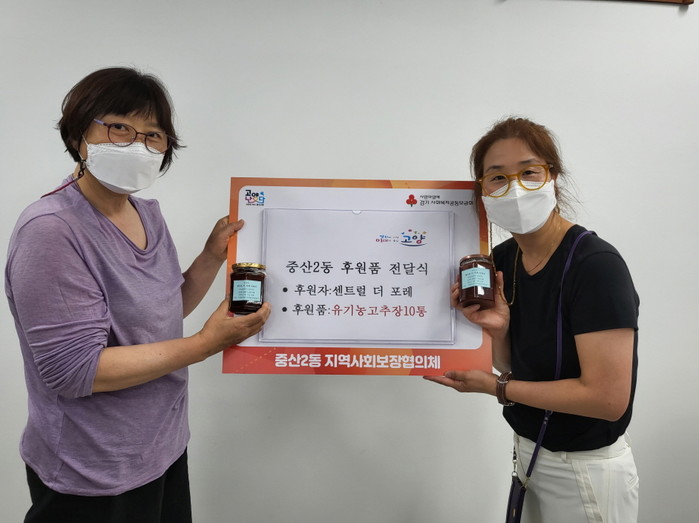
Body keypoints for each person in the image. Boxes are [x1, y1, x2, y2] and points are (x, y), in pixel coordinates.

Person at [4, 67, 271, 523]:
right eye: (119, 127)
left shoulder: (146, 213)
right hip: (94, 469)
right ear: (78, 134)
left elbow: (161, 312)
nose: (137, 145)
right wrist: (205, 345)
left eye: (153, 135)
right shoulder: (52, 230)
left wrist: (210, 257)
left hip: (161, 446)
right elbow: (75, 371)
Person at [425, 117, 639, 523]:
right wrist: (499, 332)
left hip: (585, 469)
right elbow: (516, 365)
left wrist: (497, 388)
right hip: (530, 453)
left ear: (552, 177)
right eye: (497, 178)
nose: (515, 189)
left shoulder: (595, 265)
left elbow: (608, 400)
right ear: (483, 192)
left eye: (529, 172)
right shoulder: (503, 260)